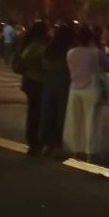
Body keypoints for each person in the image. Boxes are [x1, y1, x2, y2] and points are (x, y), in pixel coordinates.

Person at [63, 25, 109, 160]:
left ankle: (77, 149)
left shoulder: (70, 53)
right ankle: (91, 151)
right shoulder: (95, 52)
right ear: (91, 38)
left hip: (74, 89)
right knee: (92, 122)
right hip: (91, 89)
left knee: (76, 120)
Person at [15, 21, 49, 155]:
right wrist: (38, 66)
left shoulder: (28, 41)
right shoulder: (37, 44)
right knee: (37, 112)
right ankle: (35, 142)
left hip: (30, 81)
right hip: (36, 81)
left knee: (34, 112)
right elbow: (26, 57)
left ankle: (33, 141)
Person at [39, 23, 73, 155]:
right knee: (61, 114)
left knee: (48, 113)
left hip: (49, 84)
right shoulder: (68, 50)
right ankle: (58, 142)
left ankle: (47, 143)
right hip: (64, 84)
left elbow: (43, 64)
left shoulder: (49, 49)